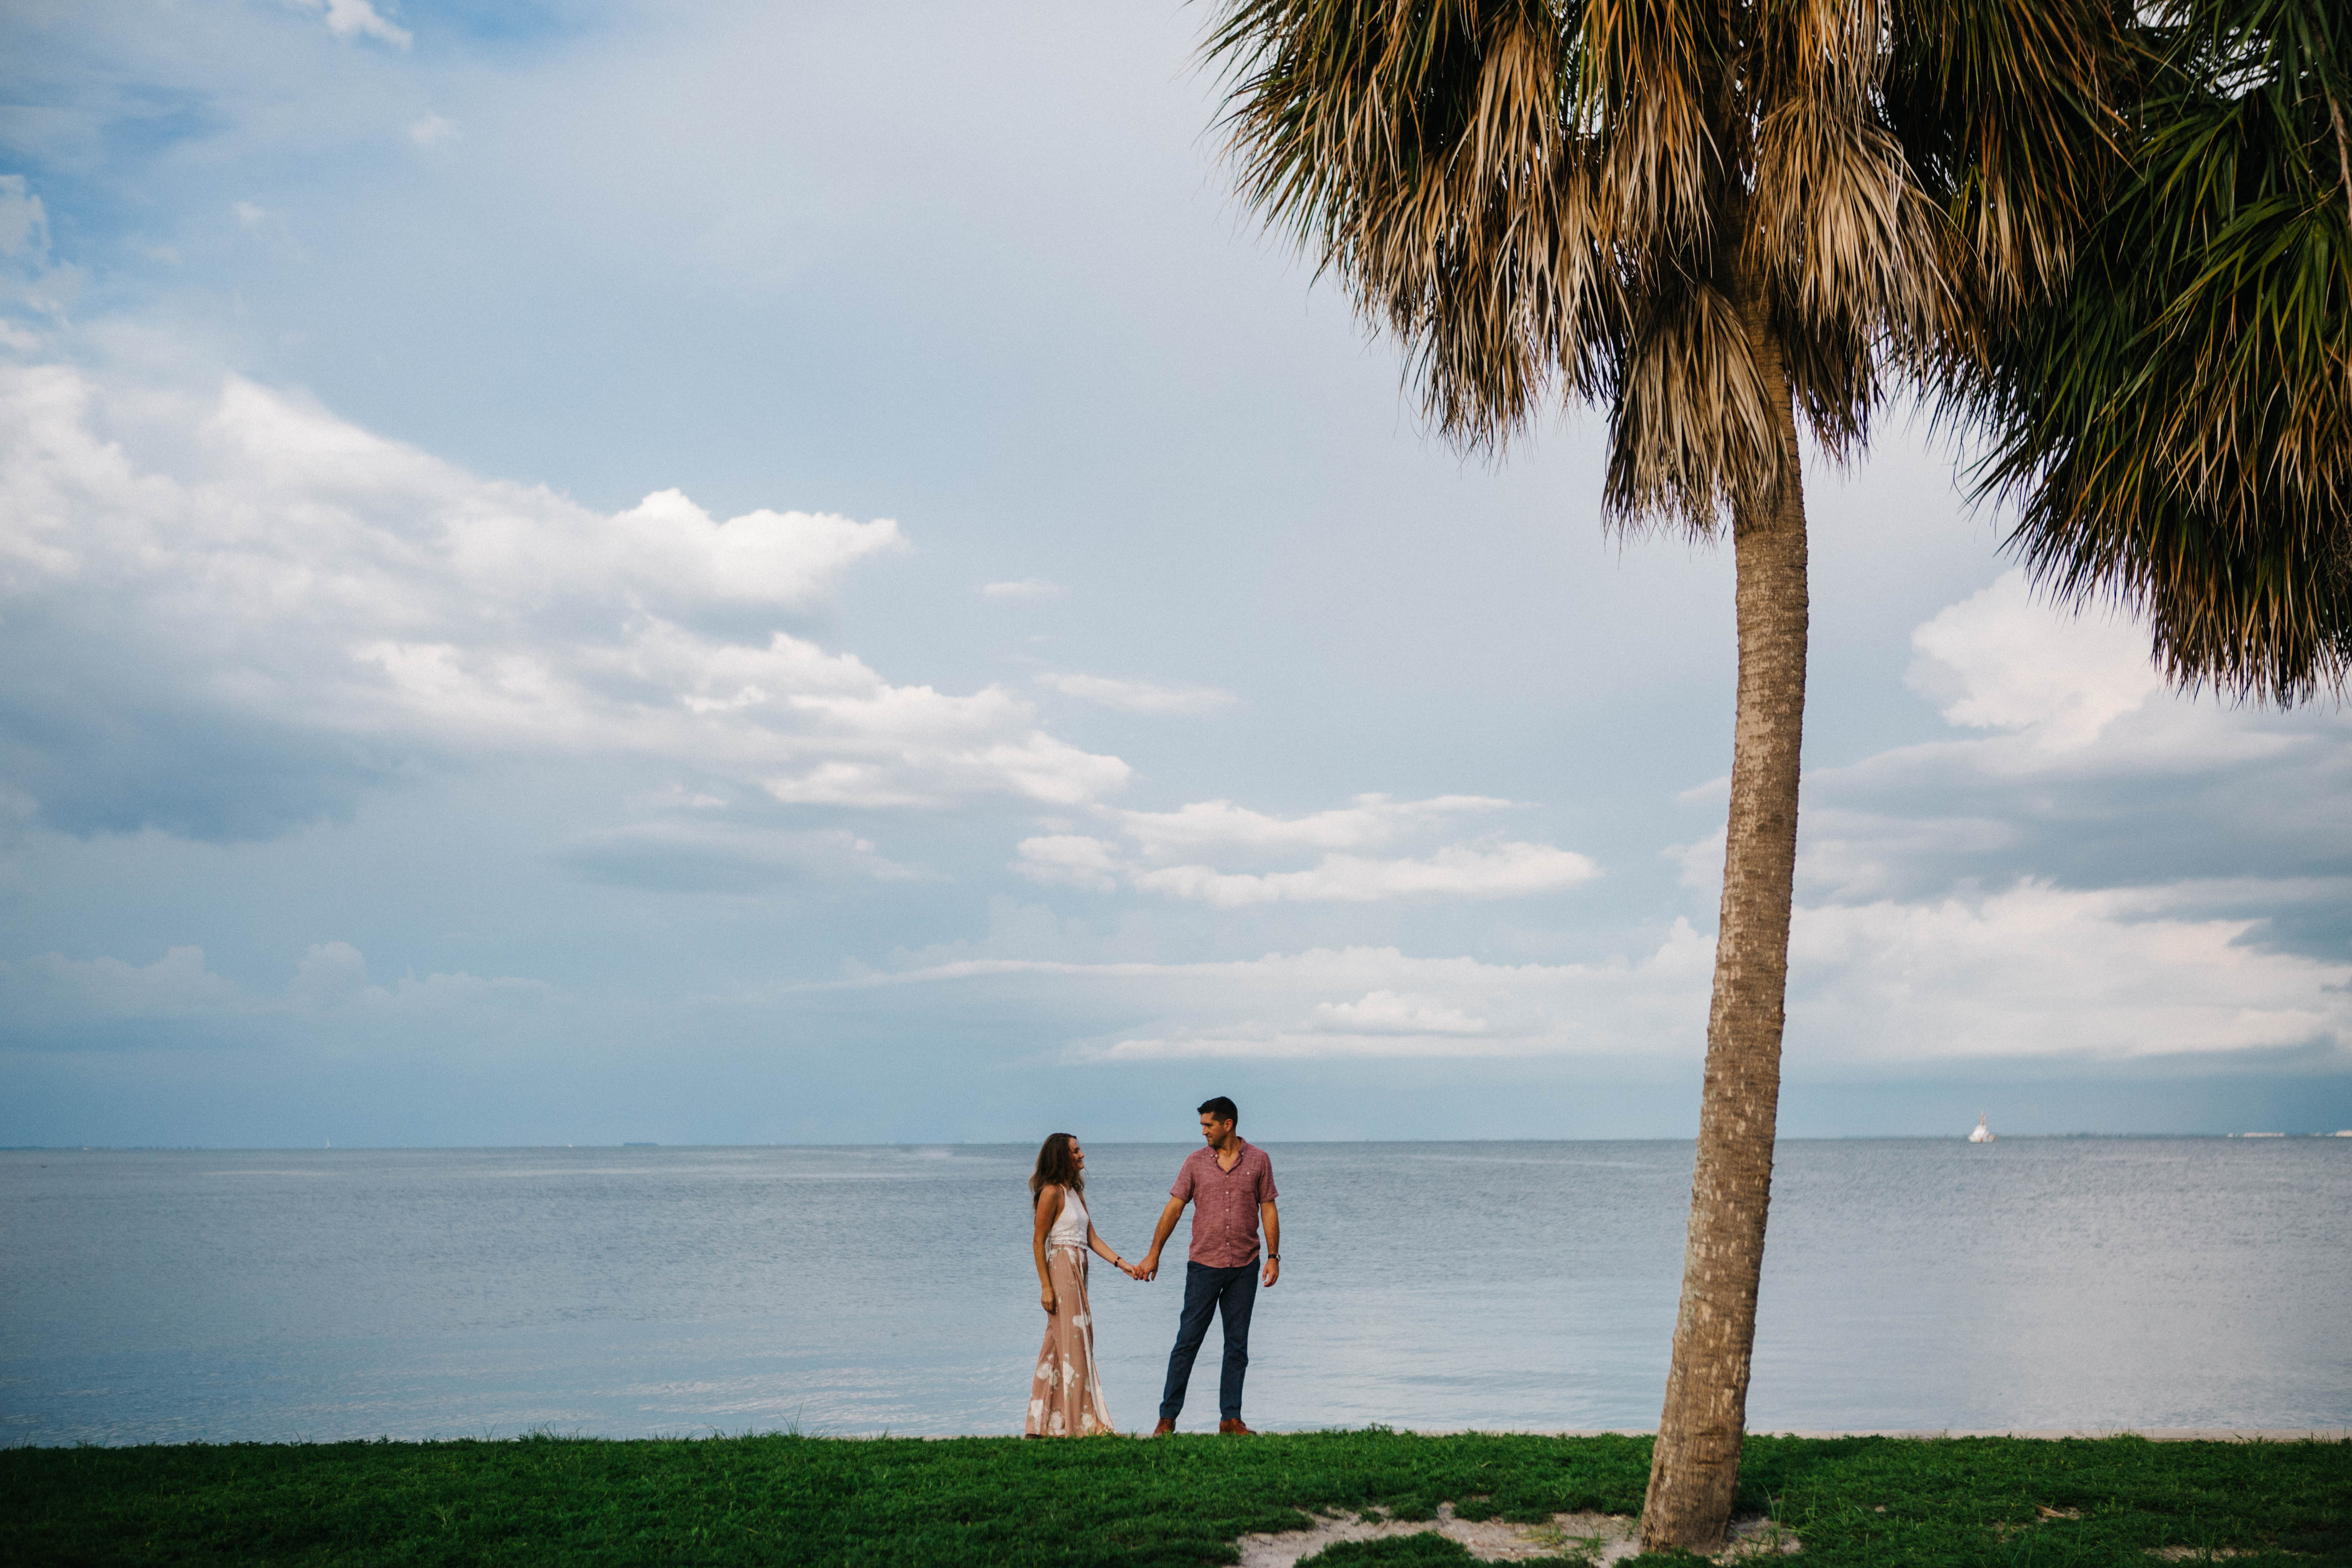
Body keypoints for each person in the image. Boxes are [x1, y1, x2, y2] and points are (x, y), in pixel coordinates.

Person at [1135, 1096, 1279, 1435]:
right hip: (1204, 1266)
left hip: (1245, 1266)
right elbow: (1174, 1209)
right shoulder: (1195, 1163)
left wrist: (1274, 1256)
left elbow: (1269, 1209)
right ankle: (1167, 1419)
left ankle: (1231, 1419)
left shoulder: (1259, 1160)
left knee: (1237, 1345)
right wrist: (1154, 1253)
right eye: (1202, 1125)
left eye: (1208, 1125)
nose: (1203, 1132)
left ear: (1227, 1125)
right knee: (1187, 1342)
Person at [1026, 1131, 1138, 1437]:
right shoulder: (1051, 1193)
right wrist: (1046, 1288)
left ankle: (1041, 1425)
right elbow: (1039, 1242)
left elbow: (1092, 1239)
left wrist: (1123, 1265)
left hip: (1080, 1267)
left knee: (1056, 1347)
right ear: (1062, 1156)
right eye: (1076, 1151)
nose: (1082, 1155)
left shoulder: (1074, 1192)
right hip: (1062, 1267)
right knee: (1077, 1345)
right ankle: (1087, 1424)